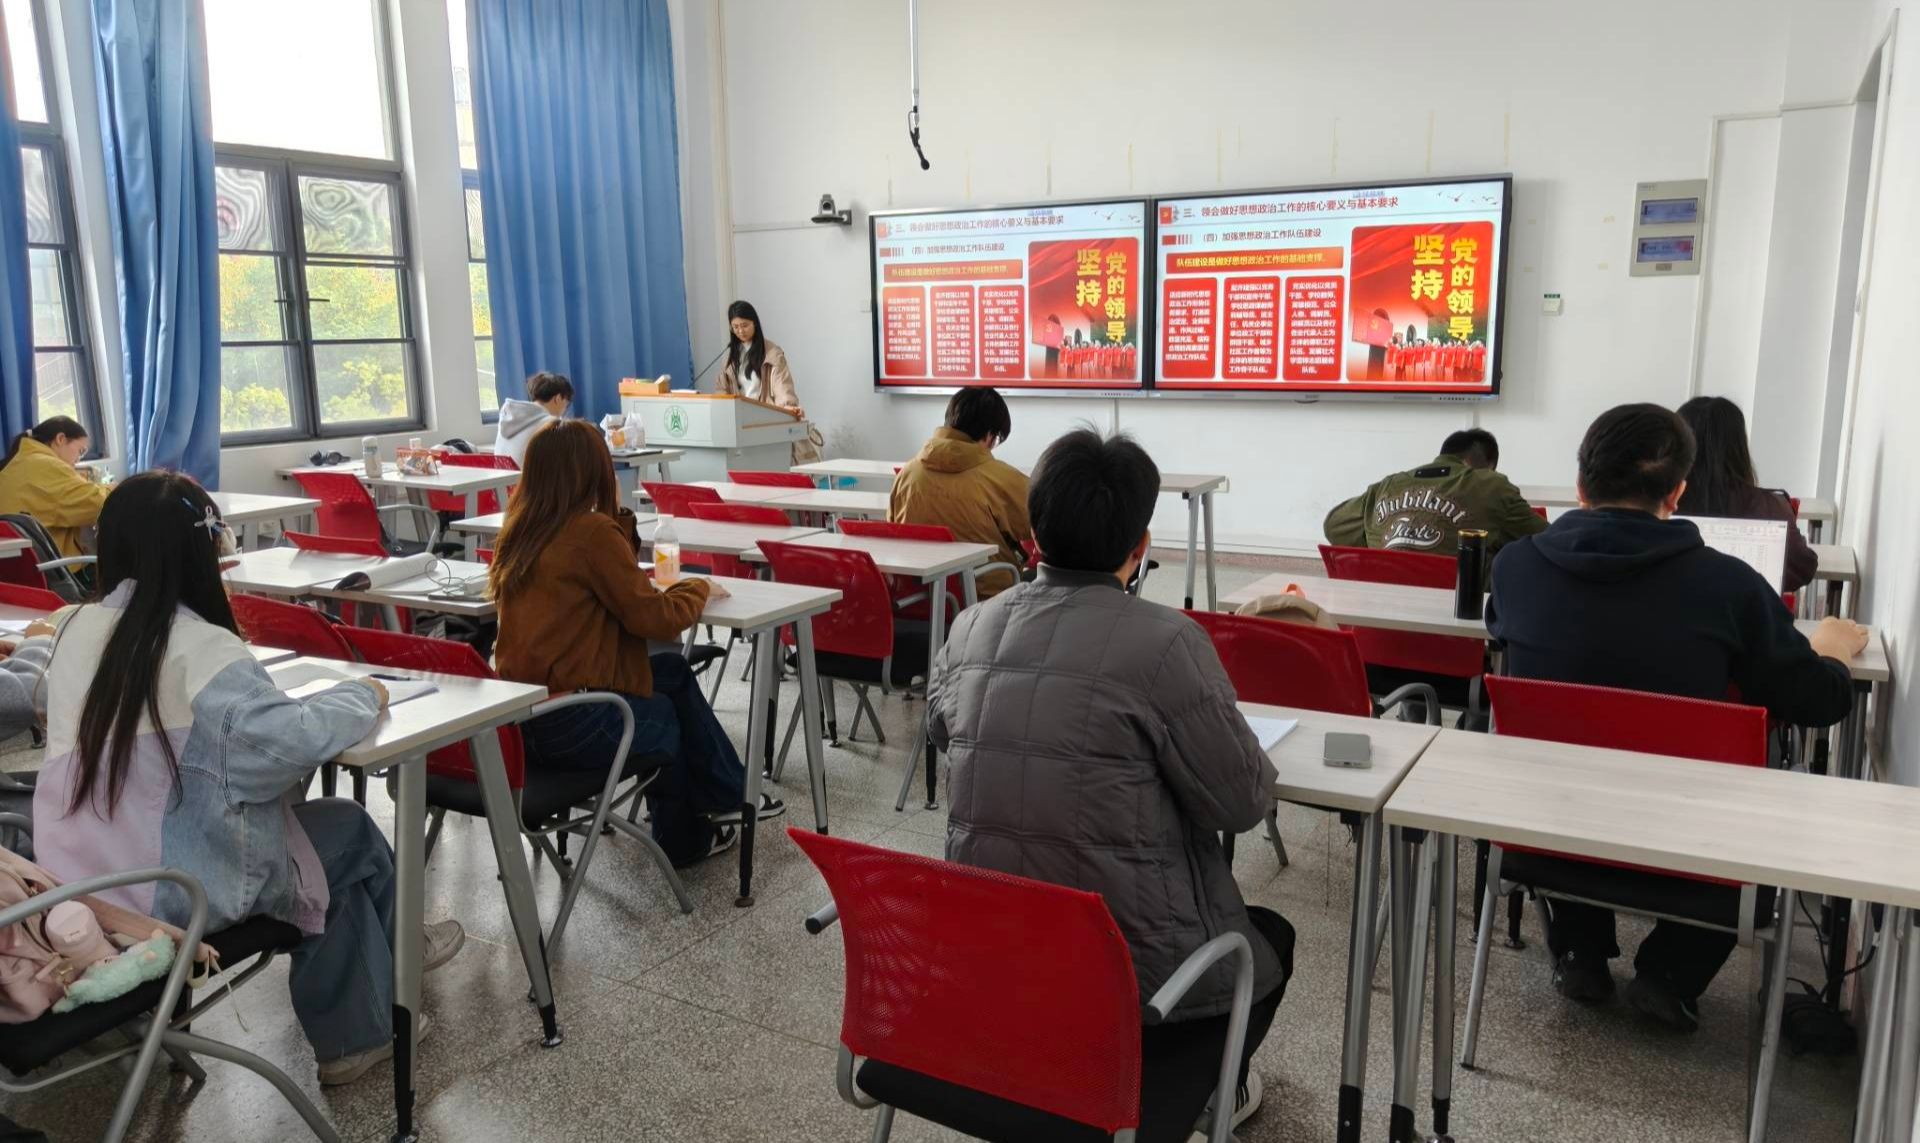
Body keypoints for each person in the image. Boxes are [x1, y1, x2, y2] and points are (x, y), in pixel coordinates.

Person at [30, 473, 464, 1086]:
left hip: (77, 879)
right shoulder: (201, 648)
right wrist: (363, 693)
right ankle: (386, 985)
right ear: (205, 550)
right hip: (168, 891)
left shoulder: (72, 628)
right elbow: (288, 748)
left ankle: (382, 989)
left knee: (320, 852)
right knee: (345, 835)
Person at [928, 429, 1294, 1140]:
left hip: (994, 962)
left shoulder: (970, 626)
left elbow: (946, 734)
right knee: (1271, 938)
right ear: (1141, 545)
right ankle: (1205, 1092)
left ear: (1033, 537)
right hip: (1136, 991)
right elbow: (1242, 803)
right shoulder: (1168, 641)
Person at [1487, 403, 1866, 1031]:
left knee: (1570, 751)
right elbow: (1816, 701)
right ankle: (1670, 973)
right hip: (1693, 850)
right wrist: (1831, 651)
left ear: (1580, 486)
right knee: (1752, 777)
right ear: (1678, 493)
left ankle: (1579, 948)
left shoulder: (1515, 566)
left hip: (1543, 836)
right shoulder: (1730, 585)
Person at [488, 419, 781, 866]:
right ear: (595, 472)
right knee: (665, 714)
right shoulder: (589, 533)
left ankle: (730, 795)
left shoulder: (520, 529)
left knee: (672, 673)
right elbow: (655, 619)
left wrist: (612, 515)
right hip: (574, 723)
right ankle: (684, 840)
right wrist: (696, 586)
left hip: (519, 723)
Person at [888, 387, 1030, 597]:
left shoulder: (907, 474)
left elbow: (892, 529)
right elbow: (1042, 527)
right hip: (987, 597)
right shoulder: (1002, 478)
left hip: (920, 597)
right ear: (990, 435)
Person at [1323, 428, 1545, 556]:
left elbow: (1334, 526)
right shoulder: (1492, 485)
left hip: (1385, 609)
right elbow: (1547, 541)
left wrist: (1380, 540)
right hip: (1463, 613)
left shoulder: (1388, 485)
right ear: (1486, 467)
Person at [1675, 395, 1816, 593]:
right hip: (1748, 610)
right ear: (1738, 446)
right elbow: (1802, 567)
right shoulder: (1769, 506)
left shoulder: (1661, 503)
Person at [717, 300, 818, 465]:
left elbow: (782, 385)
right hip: (740, 423)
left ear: (755, 323)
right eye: (735, 327)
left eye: (745, 325)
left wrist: (787, 406)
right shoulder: (730, 358)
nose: (740, 331)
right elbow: (722, 390)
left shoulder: (772, 353)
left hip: (764, 421)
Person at [0, 416, 107, 557]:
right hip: (55, 564)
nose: (77, 460)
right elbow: (97, 505)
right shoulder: (46, 465)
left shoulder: (18, 462)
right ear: (60, 439)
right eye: (80, 451)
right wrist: (115, 488)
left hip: (22, 562)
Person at [493, 372, 574, 468]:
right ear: (558, 398)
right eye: (566, 404)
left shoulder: (509, 417)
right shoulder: (552, 424)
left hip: (504, 477)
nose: (565, 410)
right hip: (530, 477)